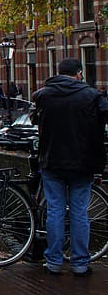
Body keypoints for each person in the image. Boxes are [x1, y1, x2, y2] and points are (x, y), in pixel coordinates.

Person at [32, 58, 108, 276]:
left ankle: (54, 262)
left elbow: (36, 121)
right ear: (79, 74)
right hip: (82, 163)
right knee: (79, 212)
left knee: (55, 211)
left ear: (58, 73)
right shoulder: (92, 96)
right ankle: (80, 263)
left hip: (52, 161)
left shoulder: (43, 96)